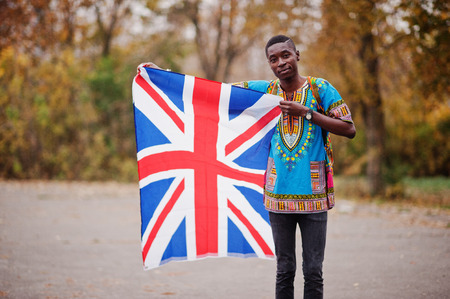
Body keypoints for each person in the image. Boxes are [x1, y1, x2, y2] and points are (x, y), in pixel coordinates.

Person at [139, 34, 356, 299]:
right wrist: (165, 77)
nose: (281, 63)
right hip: (277, 198)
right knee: (284, 269)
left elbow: (349, 129)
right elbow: (215, 92)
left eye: (286, 55)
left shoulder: (320, 89)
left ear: (297, 55)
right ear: (269, 64)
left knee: (313, 271)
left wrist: (306, 113)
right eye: (273, 59)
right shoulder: (266, 92)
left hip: (313, 196)